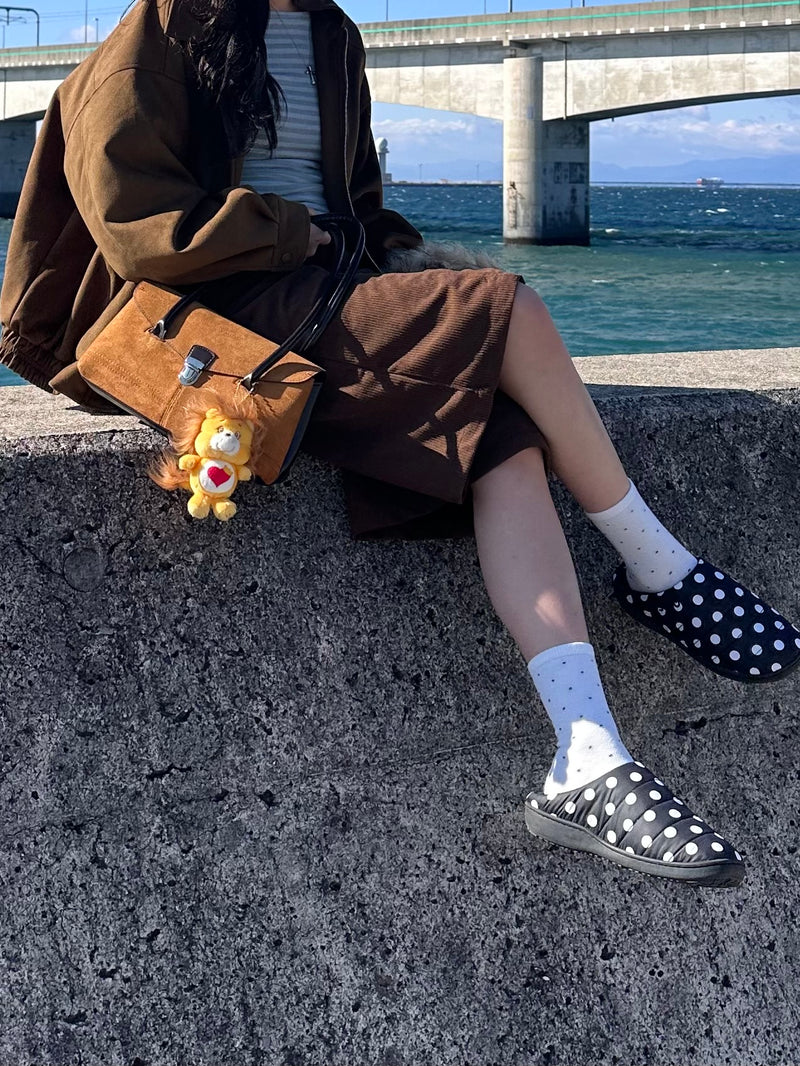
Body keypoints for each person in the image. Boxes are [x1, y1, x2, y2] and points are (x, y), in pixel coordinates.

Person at [2, 0, 798, 889]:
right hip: (215, 324)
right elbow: (135, 225)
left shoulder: (333, 34)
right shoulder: (160, 32)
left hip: (327, 296)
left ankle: (586, 753)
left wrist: (410, 271)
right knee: (508, 304)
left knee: (505, 440)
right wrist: (291, 231)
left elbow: (362, 208)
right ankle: (658, 567)